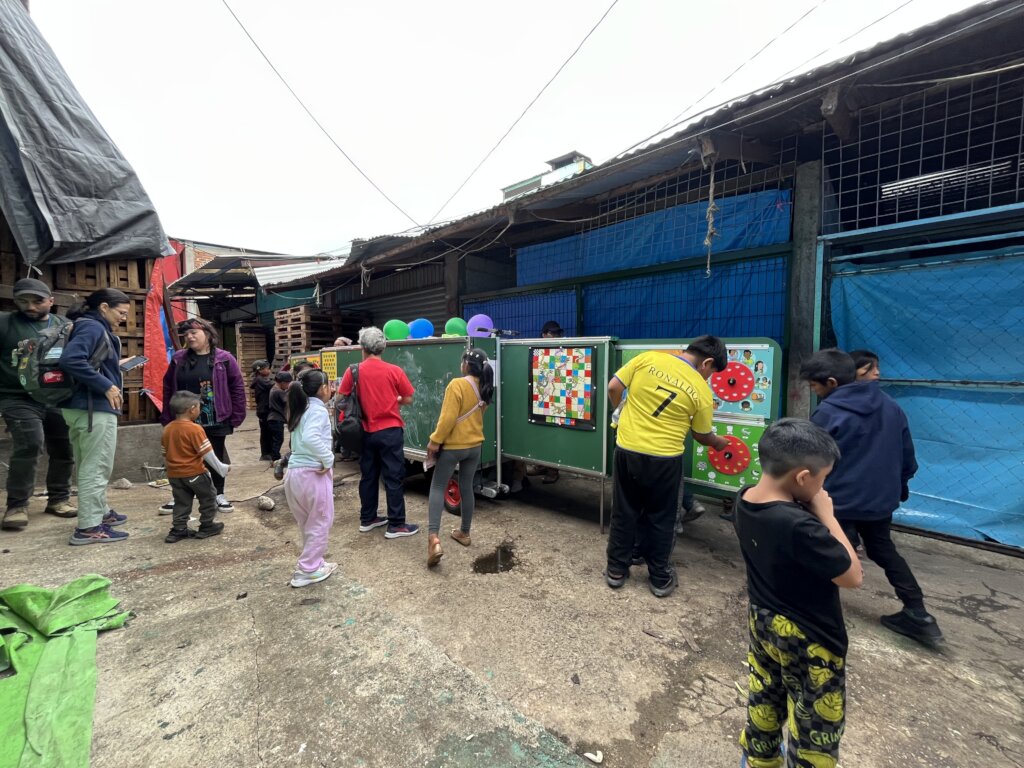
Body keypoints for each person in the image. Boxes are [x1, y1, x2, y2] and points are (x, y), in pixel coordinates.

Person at [733, 418, 862, 768]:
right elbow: (852, 576)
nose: (823, 488)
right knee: (815, 724)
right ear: (803, 477)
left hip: (762, 622)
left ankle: (758, 760)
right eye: (822, 479)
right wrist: (827, 514)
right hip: (811, 638)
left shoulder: (744, 498)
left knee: (765, 695)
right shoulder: (800, 524)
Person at [801, 348, 943, 647]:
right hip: (880, 499)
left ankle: (811, 612)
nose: (813, 391)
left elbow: (810, 460)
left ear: (831, 382)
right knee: (883, 550)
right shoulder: (891, 406)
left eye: (814, 386)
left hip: (840, 500)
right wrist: (899, 486)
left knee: (831, 550)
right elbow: (908, 456)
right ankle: (918, 613)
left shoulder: (828, 412)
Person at [605, 335, 730, 597]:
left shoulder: (648, 358)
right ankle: (660, 577)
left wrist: (623, 413)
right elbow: (701, 435)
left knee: (624, 510)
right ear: (707, 362)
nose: (709, 378)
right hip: (665, 459)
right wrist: (718, 443)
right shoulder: (701, 390)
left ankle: (616, 569)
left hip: (627, 451)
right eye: (712, 372)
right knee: (662, 517)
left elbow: (613, 387)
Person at [0, 278, 77, 530]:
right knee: (30, 443)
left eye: (37, 301)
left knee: (65, 448)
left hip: (57, 396)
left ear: (51, 302)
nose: (30, 306)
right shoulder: (5, 324)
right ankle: (17, 505)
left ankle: (58, 499)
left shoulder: (66, 326)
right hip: (16, 395)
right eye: (23, 301)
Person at [59, 288, 133, 545]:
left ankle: (100, 512)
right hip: (93, 408)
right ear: (104, 307)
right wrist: (106, 386)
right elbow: (71, 360)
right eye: (121, 312)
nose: (124, 318)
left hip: (79, 407)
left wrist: (116, 367)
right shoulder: (92, 327)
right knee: (96, 466)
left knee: (87, 463)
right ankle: (89, 527)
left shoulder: (86, 326)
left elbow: (86, 362)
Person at [338, 326, 418, 539]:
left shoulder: (352, 370)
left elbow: (340, 399)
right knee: (393, 477)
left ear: (362, 348)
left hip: (364, 431)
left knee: (368, 476)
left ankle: (368, 519)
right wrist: (395, 401)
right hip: (390, 431)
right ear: (383, 348)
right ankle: (396, 525)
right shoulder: (394, 371)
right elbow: (408, 398)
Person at [160, 319, 246, 514]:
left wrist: (237, 414)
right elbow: (167, 388)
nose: (189, 336)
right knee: (182, 456)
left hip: (215, 416)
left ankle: (218, 494)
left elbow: (237, 387)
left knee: (214, 454)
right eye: (186, 334)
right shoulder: (178, 359)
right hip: (184, 417)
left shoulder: (224, 359)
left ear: (208, 334)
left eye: (193, 333)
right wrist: (167, 415)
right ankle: (180, 496)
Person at [424, 348, 494, 567]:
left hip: (453, 446)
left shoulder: (457, 384)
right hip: (474, 447)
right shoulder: (486, 387)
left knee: (437, 487)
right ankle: (464, 533)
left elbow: (447, 419)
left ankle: (434, 538)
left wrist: (435, 441)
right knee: (466, 487)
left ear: (465, 364)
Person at [283, 368, 338, 587]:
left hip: (295, 475)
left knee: (308, 523)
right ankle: (308, 569)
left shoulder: (302, 409)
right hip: (312, 475)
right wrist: (328, 459)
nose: (332, 389)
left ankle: (315, 561)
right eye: (330, 385)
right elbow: (311, 437)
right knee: (321, 521)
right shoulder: (318, 411)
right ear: (323, 388)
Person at [161, 391, 228, 543]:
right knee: (209, 497)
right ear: (192, 409)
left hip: (175, 475)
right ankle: (207, 525)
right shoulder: (195, 429)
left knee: (181, 501)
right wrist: (221, 468)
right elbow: (207, 453)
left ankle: (178, 530)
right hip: (195, 473)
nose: (199, 410)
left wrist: (171, 469)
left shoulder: (168, 429)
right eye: (198, 407)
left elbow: (165, 453)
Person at [250, 360, 274, 460]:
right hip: (264, 410)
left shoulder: (261, 379)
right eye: (266, 368)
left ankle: (267, 452)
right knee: (266, 432)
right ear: (260, 371)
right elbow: (272, 385)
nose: (269, 370)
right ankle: (265, 453)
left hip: (264, 409)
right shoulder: (260, 380)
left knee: (267, 432)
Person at [267, 370, 292, 462]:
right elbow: (288, 401)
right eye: (288, 383)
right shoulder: (279, 392)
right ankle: (275, 458)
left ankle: (274, 457)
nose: (288, 386)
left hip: (272, 418)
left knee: (275, 439)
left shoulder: (273, 389)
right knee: (278, 439)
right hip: (276, 419)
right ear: (282, 383)